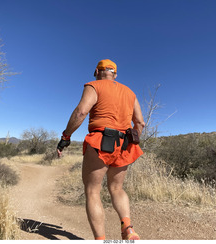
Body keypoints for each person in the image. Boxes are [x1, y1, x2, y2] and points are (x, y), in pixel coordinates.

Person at [57, 59, 145, 240]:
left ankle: (100, 240)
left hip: (100, 142)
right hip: (124, 144)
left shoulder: (94, 85)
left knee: (92, 190)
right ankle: (127, 228)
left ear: (97, 71)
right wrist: (132, 140)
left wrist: (66, 136)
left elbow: (81, 112)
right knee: (117, 188)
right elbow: (140, 123)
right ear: (115, 74)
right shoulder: (130, 93)